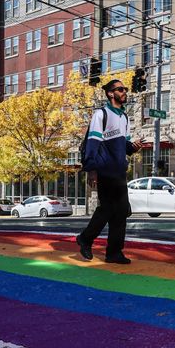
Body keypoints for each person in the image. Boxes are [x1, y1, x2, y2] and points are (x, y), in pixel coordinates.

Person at [76, 79, 143, 264]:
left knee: (121, 212)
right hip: (104, 170)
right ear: (110, 93)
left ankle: (114, 253)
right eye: (120, 89)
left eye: (125, 89)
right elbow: (92, 143)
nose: (124, 92)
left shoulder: (125, 117)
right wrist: (91, 170)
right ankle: (85, 239)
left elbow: (125, 147)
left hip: (120, 171)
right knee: (106, 209)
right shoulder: (101, 114)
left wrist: (134, 147)